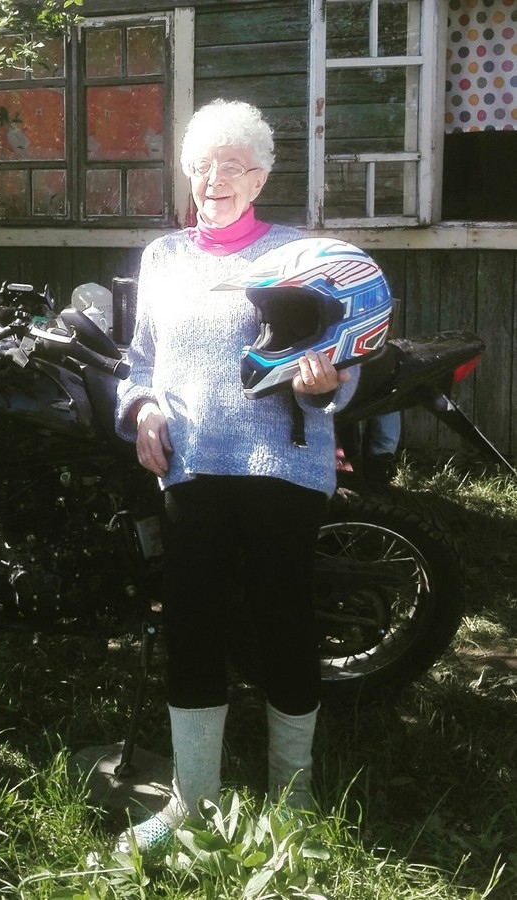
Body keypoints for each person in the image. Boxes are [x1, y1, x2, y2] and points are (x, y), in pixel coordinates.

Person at [113, 99, 363, 855]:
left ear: (259, 178)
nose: (214, 179)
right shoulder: (163, 258)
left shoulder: (301, 255)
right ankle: (194, 803)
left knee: (283, 618)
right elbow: (140, 361)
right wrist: (143, 409)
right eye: (201, 165)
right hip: (191, 465)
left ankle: (295, 800)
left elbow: (343, 356)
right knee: (191, 622)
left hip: (282, 463)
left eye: (232, 165)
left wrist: (326, 385)